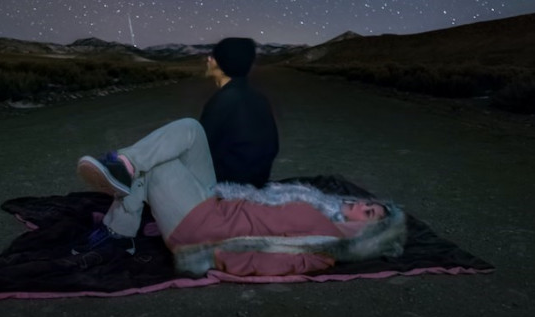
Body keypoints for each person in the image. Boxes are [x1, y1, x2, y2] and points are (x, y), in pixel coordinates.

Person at [74, 118, 406, 277]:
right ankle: (126, 167)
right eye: (369, 203)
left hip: (200, 228)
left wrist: (210, 258)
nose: (362, 205)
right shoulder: (324, 207)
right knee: (191, 130)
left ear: (367, 234)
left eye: (371, 214)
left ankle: (120, 227)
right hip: (216, 203)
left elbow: (265, 263)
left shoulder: (325, 244)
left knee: (160, 165)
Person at [200, 37, 279, 187]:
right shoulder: (258, 98)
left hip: (228, 183)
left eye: (212, 57)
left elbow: (201, 148)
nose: (208, 60)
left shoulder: (224, 100)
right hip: (257, 180)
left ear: (220, 64)